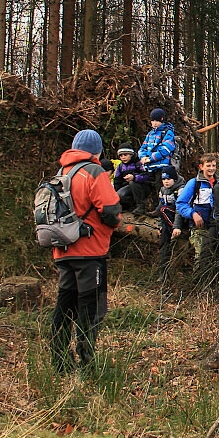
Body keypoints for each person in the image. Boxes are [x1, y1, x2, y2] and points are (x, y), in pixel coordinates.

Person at [49, 129, 121, 374]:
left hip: (64, 250)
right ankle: (88, 364)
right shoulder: (94, 172)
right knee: (91, 308)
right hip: (90, 252)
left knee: (65, 305)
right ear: (97, 151)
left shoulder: (62, 173)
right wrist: (115, 223)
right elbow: (111, 211)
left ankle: (59, 361)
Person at [174, 153, 219, 273]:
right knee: (201, 255)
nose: (211, 168)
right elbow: (180, 204)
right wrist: (193, 214)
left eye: (214, 165)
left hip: (217, 226)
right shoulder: (194, 183)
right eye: (208, 165)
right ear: (201, 167)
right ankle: (198, 282)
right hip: (199, 227)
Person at [153, 166, 184, 273]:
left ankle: (173, 230)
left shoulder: (181, 190)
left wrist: (177, 226)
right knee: (164, 243)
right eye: (164, 179)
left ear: (174, 179)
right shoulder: (162, 190)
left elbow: (180, 210)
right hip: (167, 218)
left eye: (168, 179)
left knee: (163, 209)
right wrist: (160, 225)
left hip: (180, 219)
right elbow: (160, 208)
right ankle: (163, 271)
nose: (166, 182)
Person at [114, 143, 150, 212]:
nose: (123, 157)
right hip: (127, 188)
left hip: (142, 187)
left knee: (132, 183)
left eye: (125, 155)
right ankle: (129, 206)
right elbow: (117, 181)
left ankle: (141, 206)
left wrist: (134, 177)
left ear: (131, 154)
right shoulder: (120, 166)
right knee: (119, 194)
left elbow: (147, 176)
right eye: (121, 155)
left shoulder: (139, 163)